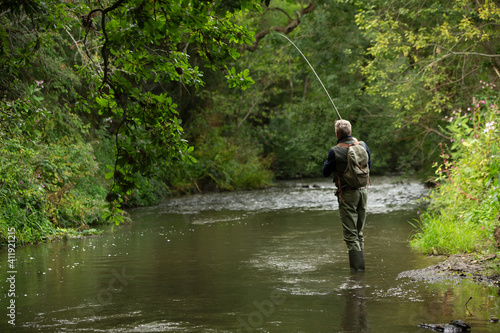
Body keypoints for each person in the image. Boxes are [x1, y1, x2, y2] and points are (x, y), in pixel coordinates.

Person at [322, 120, 371, 272]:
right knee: (359, 232)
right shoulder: (362, 146)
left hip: (347, 194)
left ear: (337, 134)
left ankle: (357, 274)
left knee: (351, 235)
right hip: (363, 191)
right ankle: (360, 273)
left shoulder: (335, 151)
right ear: (350, 131)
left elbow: (325, 172)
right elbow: (370, 165)